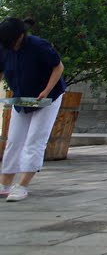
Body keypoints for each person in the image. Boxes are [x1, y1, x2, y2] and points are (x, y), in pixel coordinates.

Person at [0, 17, 66, 202]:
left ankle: (22, 185)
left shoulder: (38, 45)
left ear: (21, 35)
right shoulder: (4, 47)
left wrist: (46, 91)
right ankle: (4, 184)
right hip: (22, 99)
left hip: (47, 99)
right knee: (14, 140)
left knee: (34, 140)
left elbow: (58, 67)